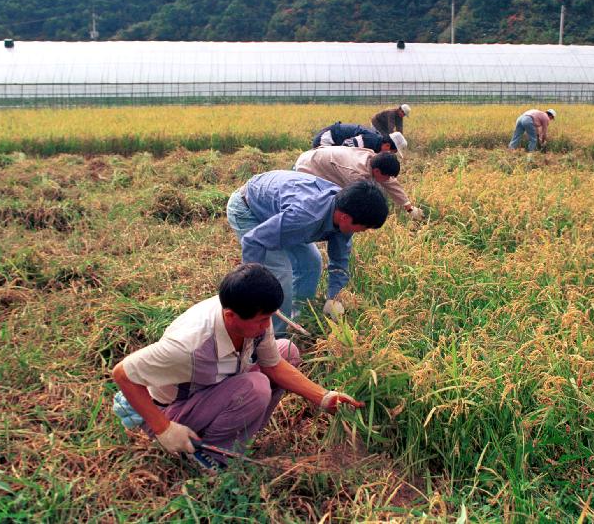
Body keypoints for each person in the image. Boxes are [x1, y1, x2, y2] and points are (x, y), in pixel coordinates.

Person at [111, 263, 363, 473]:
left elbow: (274, 365)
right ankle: (210, 454)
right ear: (230, 316)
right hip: (175, 409)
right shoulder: (189, 345)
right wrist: (163, 428)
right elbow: (122, 373)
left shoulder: (251, 312)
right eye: (262, 320)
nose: (267, 326)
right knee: (256, 387)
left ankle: (238, 436)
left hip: (214, 388)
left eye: (269, 318)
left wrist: (324, 397)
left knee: (287, 351)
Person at [226, 171, 388, 334]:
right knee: (281, 274)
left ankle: (298, 320)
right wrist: (253, 285)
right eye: (364, 227)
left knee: (311, 263)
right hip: (248, 209)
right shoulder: (306, 217)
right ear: (345, 217)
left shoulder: (345, 212)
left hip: (279, 214)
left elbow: (339, 260)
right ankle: (274, 337)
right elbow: (253, 241)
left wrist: (333, 298)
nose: (363, 231)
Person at [294, 148, 424, 220]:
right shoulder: (355, 174)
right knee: (322, 201)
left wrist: (409, 208)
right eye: (387, 176)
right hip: (309, 164)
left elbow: (391, 183)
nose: (388, 179)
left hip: (326, 159)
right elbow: (357, 198)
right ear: (377, 171)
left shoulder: (375, 160)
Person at [312, 123, 404, 155]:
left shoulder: (377, 145)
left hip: (334, 142)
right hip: (327, 139)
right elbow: (347, 144)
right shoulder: (372, 140)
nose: (389, 155)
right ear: (387, 145)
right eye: (391, 152)